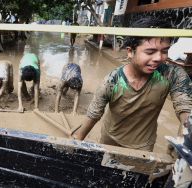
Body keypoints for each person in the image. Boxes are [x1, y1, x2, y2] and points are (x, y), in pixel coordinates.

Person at [73, 17, 192, 152]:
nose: (159, 58)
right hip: (109, 141)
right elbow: (94, 113)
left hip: (143, 147)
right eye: (150, 52)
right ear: (130, 52)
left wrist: (181, 146)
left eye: (164, 51)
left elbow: (186, 111)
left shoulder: (172, 75)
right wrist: (77, 141)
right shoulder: (112, 81)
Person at [17, 46, 40, 112]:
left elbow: (36, 89)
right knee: (21, 84)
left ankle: (33, 87)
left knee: (36, 85)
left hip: (35, 59)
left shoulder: (37, 71)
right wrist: (20, 105)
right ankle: (26, 95)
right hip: (23, 60)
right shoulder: (20, 72)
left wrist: (36, 107)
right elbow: (19, 90)